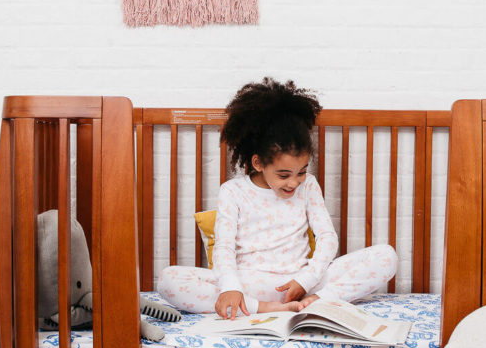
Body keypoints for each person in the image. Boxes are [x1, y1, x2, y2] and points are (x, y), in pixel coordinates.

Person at [158, 78, 398, 319]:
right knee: (168, 280)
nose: (294, 182)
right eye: (284, 175)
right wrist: (231, 287)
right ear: (258, 163)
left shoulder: (309, 187)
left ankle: (318, 300)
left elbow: (327, 237)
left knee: (386, 256)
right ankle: (259, 307)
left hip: (302, 282)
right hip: (249, 284)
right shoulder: (233, 192)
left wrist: (306, 280)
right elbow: (224, 247)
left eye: (301, 172)